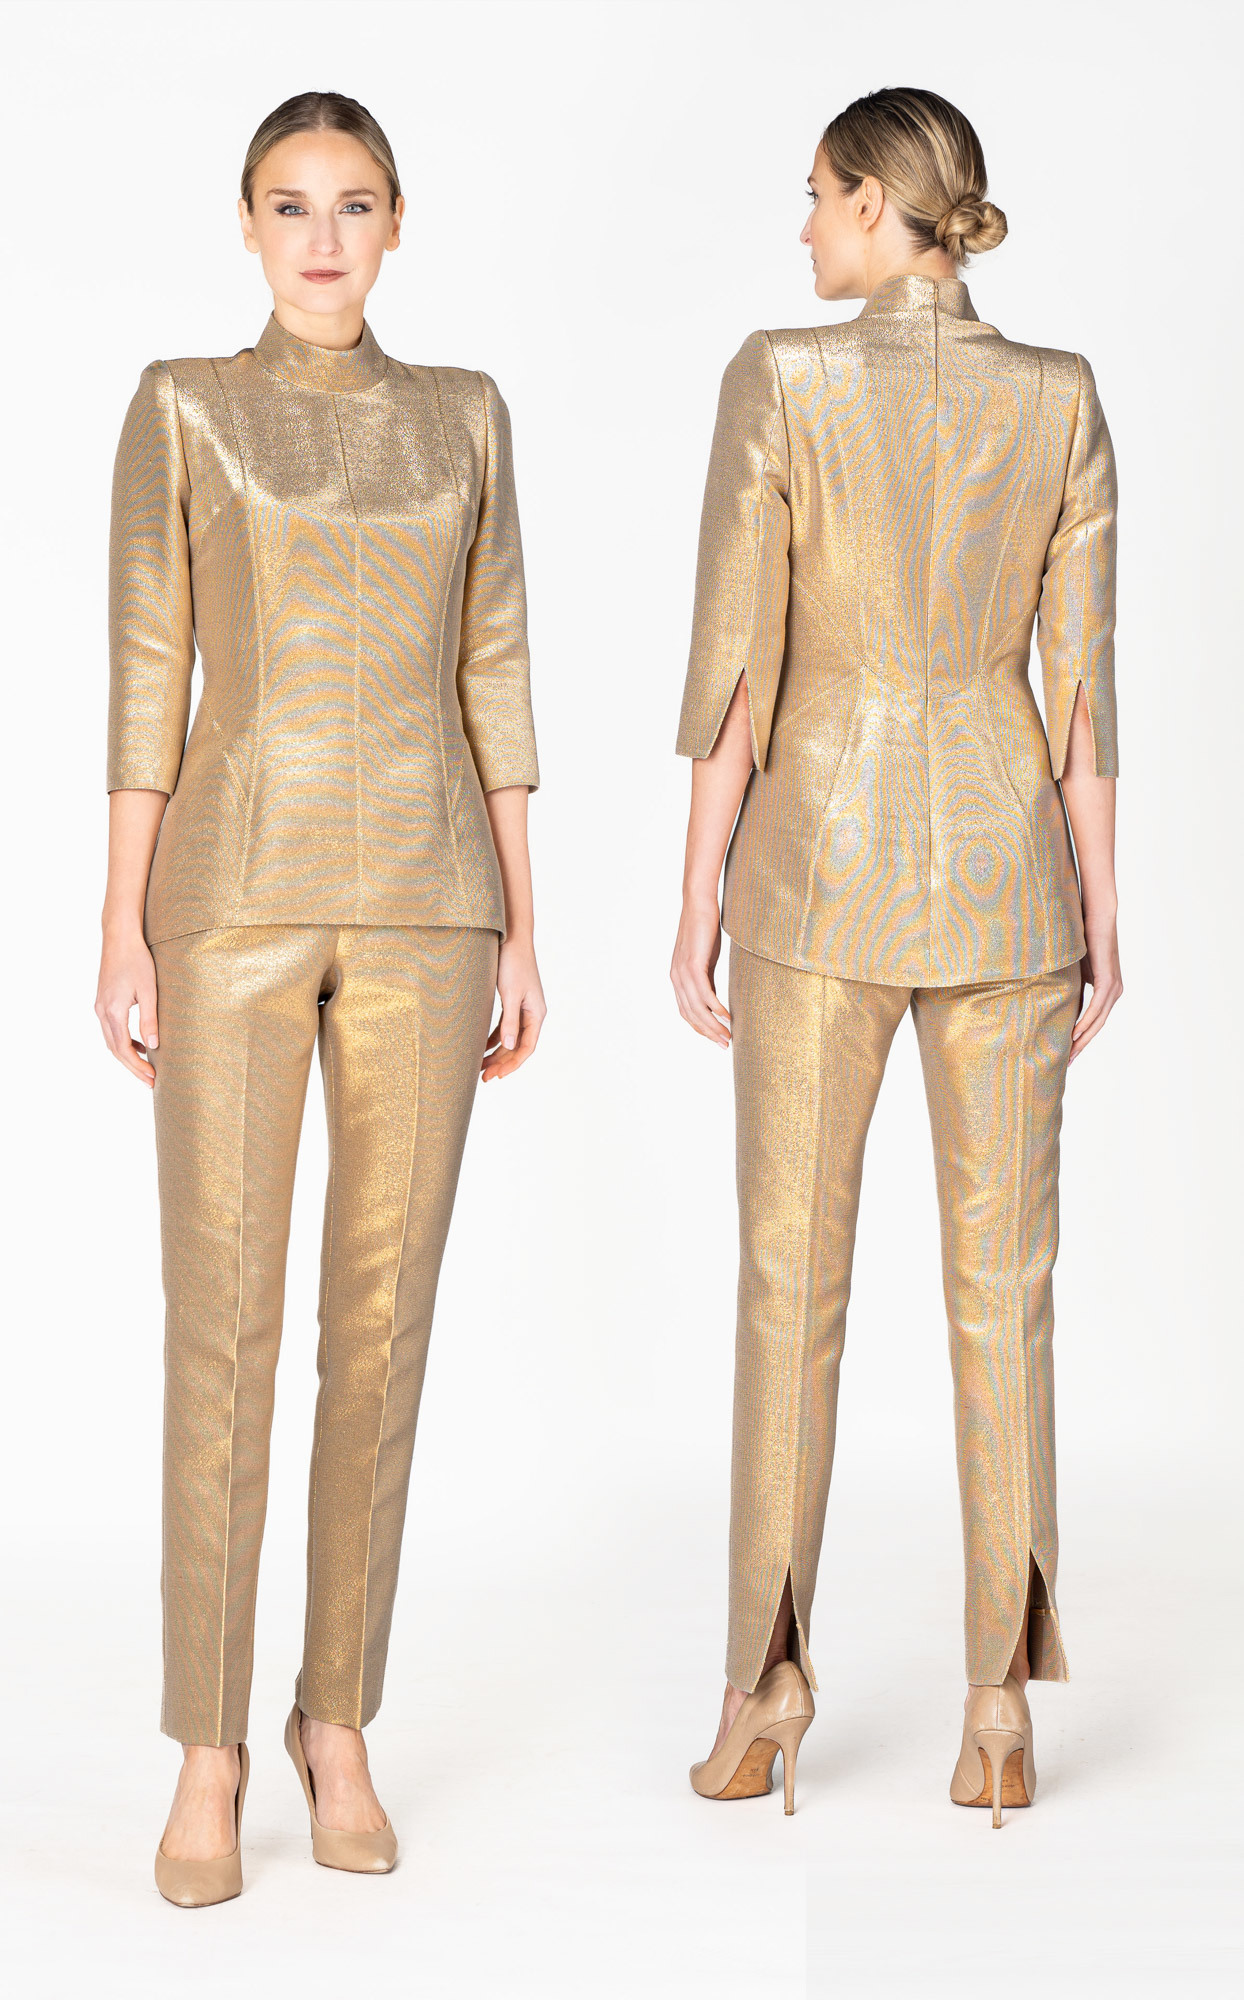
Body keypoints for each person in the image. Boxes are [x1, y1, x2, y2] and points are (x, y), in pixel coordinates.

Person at [95, 91, 544, 1904]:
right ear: (247, 224)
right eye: (291, 207)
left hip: (434, 902)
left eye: (354, 206)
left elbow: (496, 665)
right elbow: (147, 670)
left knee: (383, 1323)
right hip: (229, 899)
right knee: (221, 1322)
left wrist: (524, 923)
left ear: (399, 221)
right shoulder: (186, 405)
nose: (323, 240)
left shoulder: (465, 416)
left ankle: (333, 1720)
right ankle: (207, 1746)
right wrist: (120, 926)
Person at [671, 86, 1120, 1826]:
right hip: (1011, 875)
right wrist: (1103, 905)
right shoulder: (1060, 396)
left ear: (876, 205)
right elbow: (1082, 691)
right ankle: (997, 1708)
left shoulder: (782, 379)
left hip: (817, 876)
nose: (802, 229)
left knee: (790, 1287)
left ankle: (763, 1692)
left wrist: (695, 893)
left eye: (816, 197)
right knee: (1007, 1293)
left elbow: (738, 665)